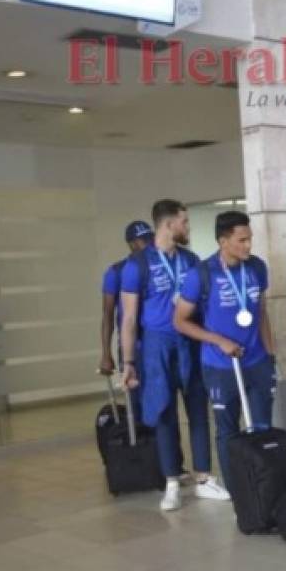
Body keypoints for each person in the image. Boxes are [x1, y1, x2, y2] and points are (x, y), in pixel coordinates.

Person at [121, 199, 228, 512]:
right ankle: (171, 481)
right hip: (157, 345)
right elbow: (128, 318)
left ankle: (205, 477)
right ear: (168, 225)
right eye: (185, 222)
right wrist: (128, 362)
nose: (188, 228)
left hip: (190, 340)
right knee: (164, 411)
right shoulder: (137, 265)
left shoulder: (192, 260)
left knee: (197, 408)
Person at [173, 212, 278, 491]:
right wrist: (218, 340)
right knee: (227, 430)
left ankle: (265, 486)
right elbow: (179, 321)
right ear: (223, 241)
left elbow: (262, 313)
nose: (248, 245)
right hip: (220, 366)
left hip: (257, 363)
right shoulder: (201, 274)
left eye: (250, 239)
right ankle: (238, 491)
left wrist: (271, 356)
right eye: (241, 240)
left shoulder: (257, 268)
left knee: (262, 427)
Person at [99, 220, 154, 422]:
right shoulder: (116, 271)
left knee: (158, 402)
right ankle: (142, 448)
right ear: (131, 244)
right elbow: (107, 316)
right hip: (132, 347)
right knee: (136, 403)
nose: (148, 245)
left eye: (150, 240)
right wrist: (106, 353)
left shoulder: (157, 267)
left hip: (156, 344)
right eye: (142, 242)